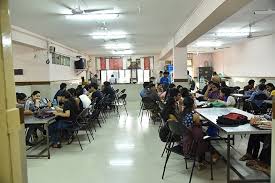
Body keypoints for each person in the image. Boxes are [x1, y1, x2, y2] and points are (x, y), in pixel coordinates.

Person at [180, 96, 209, 170]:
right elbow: (198, 127)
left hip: (185, 141)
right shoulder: (195, 116)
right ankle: (200, 162)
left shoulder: (182, 114)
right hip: (193, 143)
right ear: (192, 104)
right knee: (205, 137)